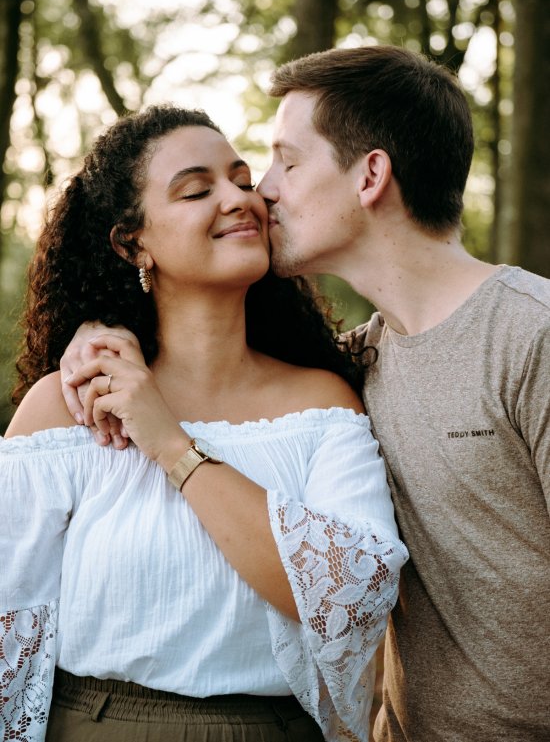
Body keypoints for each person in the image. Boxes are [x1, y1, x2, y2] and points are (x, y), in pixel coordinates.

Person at [61, 46, 550, 742]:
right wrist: (95, 331)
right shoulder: (357, 366)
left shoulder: (533, 336)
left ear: (370, 175)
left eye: (286, 162)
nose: (263, 190)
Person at [0, 104, 408, 742]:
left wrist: (171, 444)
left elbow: (348, 598)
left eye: (244, 181)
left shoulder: (323, 401)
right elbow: (8, 622)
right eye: (197, 190)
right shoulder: (68, 408)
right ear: (131, 241)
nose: (239, 200)